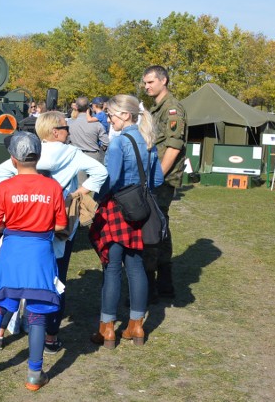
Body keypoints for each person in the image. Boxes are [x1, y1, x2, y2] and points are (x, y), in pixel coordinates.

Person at [0, 111, 107, 354]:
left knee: (14, 279)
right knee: (57, 280)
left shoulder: (29, 154)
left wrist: (19, 192)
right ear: (56, 131)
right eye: (66, 127)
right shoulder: (73, 154)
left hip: (25, 225)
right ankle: (51, 338)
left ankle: (0, 333)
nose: (69, 131)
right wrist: (74, 195)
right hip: (59, 223)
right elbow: (101, 173)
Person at [0, 131, 66, 391]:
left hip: (12, 252)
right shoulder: (53, 187)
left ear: (13, 159)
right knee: (37, 313)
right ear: (38, 156)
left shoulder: (5, 187)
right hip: (40, 254)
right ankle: (34, 374)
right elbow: (61, 225)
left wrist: (12, 228)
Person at [89, 94, 164, 348]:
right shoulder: (148, 141)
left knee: (111, 269)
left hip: (116, 209)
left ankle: (107, 330)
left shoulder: (119, 143)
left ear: (125, 115)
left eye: (110, 114)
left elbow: (110, 179)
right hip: (139, 212)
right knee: (136, 268)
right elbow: (157, 181)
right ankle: (137, 327)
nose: (108, 119)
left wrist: (96, 198)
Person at [142, 65, 186, 301]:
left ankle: (149, 287)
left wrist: (158, 175)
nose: (147, 86)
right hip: (157, 174)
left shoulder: (171, 109)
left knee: (152, 229)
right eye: (145, 83)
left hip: (163, 178)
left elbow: (174, 145)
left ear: (164, 80)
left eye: (151, 82)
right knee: (161, 228)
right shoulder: (158, 107)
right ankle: (164, 284)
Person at [68, 96, 109, 163]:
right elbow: (106, 142)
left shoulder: (70, 124)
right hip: (93, 157)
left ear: (76, 107)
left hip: (76, 157)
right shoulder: (97, 124)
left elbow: (67, 141)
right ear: (88, 107)